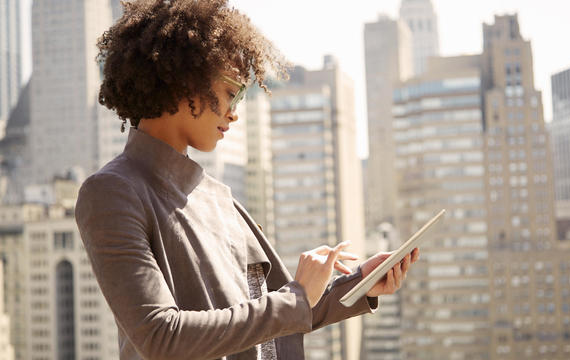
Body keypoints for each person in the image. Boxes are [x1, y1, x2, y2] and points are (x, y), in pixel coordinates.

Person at [74, 1, 419, 359]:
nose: (235, 112)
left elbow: (278, 315)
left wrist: (360, 283)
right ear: (183, 81)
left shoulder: (218, 197)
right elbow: (161, 336)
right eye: (231, 92)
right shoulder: (111, 192)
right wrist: (296, 296)